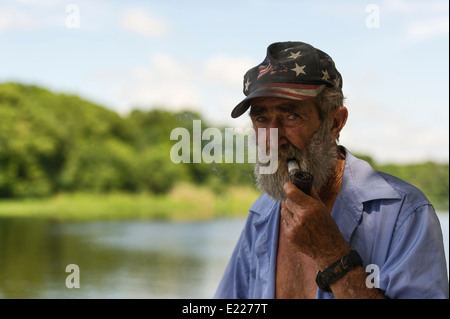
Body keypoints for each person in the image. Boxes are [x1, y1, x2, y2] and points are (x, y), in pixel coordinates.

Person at [214, 41, 448, 299]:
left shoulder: (404, 214)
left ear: (335, 123)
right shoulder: (263, 213)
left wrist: (332, 254)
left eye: (292, 116)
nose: (273, 138)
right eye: (261, 119)